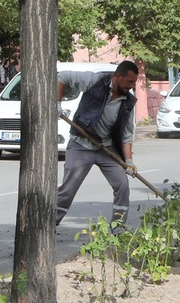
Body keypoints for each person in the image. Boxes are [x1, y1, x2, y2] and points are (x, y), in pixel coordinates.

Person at [54, 60, 141, 228]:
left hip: (106, 148)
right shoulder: (96, 81)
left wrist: (129, 161)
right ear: (118, 76)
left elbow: (126, 134)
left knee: (122, 185)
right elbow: (63, 77)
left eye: (134, 82)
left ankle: (118, 228)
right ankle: (49, 224)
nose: (132, 86)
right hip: (81, 145)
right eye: (129, 81)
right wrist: (57, 102)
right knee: (68, 189)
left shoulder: (128, 102)